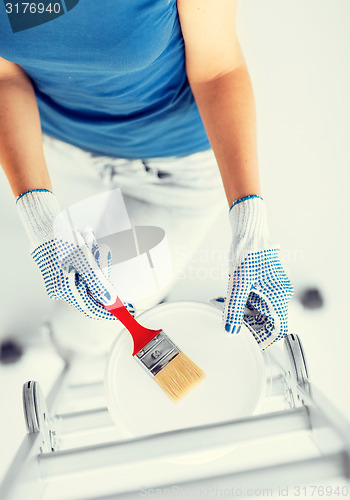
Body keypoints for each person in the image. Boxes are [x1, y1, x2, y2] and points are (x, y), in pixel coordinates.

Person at [0, 0, 293, 350]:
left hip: (171, 172)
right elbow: (6, 76)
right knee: (82, 297)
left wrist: (251, 227)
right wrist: (40, 219)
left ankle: (77, 341)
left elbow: (218, 70)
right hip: (57, 148)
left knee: (83, 330)